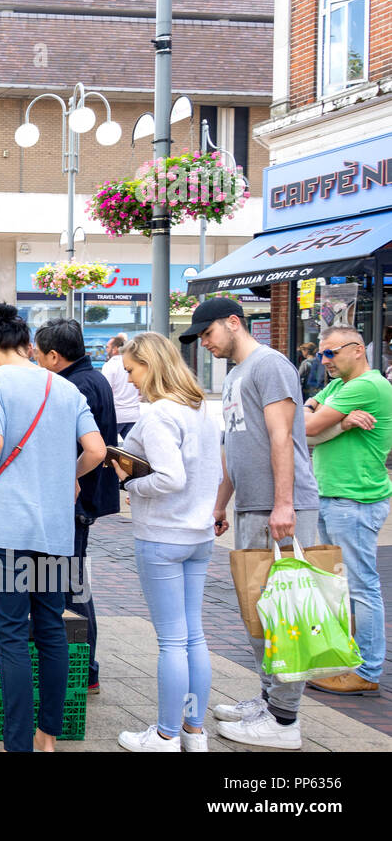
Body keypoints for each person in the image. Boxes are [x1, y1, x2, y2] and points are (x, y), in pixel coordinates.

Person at [0, 304, 105, 753]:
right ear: (30, 347)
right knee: (50, 628)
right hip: (55, 532)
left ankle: (19, 744)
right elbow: (96, 450)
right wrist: (68, 476)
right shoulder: (65, 387)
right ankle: (47, 736)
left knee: (11, 634)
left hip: (6, 532)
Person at [182, 297, 320, 750]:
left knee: (286, 614)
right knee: (260, 612)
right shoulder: (239, 373)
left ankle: (284, 721)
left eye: (208, 334)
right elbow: (234, 445)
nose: (205, 343)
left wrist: (284, 505)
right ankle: (269, 699)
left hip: (279, 509)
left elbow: (282, 435)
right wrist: (222, 502)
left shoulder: (271, 365)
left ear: (234, 323)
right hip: (254, 507)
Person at [108, 332, 224, 752]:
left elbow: (169, 477)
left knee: (173, 641)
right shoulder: (199, 410)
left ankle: (164, 734)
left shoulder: (159, 414)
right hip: (197, 535)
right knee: (195, 636)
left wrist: (131, 484)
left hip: (162, 535)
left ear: (150, 365)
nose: (130, 380)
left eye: (132, 371)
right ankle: (194, 730)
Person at [302, 326, 391, 697]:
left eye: (331, 353)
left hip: (353, 499)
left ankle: (367, 670)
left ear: (357, 350)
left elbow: (304, 426)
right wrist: (341, 422)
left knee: (360, 586)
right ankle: (347, 661)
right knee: (341, 585)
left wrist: (325, 421)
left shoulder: (365, 387)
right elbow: (302, 418)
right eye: (322, 354)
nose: (325, 360)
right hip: (335, 495)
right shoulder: (339, 387)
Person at [34, 318, 119, 695]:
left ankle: (85, 669)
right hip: (83, 499)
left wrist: (70, 477)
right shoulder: (92, 378)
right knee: (72, 584)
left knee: (71, 588)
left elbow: (91, 450)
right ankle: (85, 668)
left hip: (76, 502)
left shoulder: (73, 386)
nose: (35, 362)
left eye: (37, 355)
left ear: (54, 356)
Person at [102, 334, 141, 439]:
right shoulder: (133, 363)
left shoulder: (110, 365)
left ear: (115, 349)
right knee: (133, 453)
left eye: (108, 347)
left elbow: (106, 390)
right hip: (134, 414)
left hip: (116, 415)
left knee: (109, 450)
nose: (106, 350)